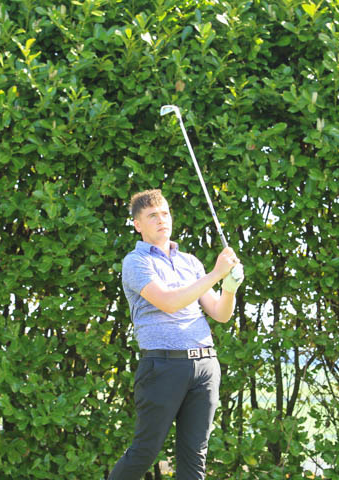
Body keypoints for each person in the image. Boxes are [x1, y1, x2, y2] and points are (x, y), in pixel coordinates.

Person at [109, 189, 244, 480]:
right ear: (137, 224)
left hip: (205, 365)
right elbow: (169, 302)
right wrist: (216, 274)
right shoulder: (136, 262)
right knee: (144, 452)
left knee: (195, 457)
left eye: (165, 213)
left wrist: (229, 288)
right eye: (152, 216)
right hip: (163, 366)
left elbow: (220, 313)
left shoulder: (190, 262)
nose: (162, 220)